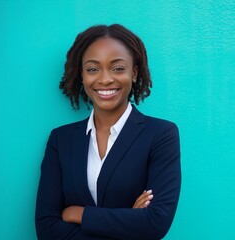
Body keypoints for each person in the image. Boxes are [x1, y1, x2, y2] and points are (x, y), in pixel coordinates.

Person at [35, 24, 181, 240]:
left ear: (134, 72)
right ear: (82, 75)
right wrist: (128, 220)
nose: (104, 79)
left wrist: (79, 213)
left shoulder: (161, 134)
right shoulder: (61, 139)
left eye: (118, 68)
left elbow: (154, 223)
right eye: (93, 69)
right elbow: (47, 228)